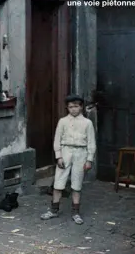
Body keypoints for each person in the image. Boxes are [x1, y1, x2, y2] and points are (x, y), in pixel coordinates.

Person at [41, 94, 96, 225]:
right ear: (67, 108)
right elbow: (57, 140)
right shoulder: (63, 121)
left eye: (76, 106)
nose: (73, 109)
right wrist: (58, 156)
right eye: (70, 107)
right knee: (59, 182)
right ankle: (54, 210)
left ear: (81, 107)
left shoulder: (87, 123)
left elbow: (91, 143)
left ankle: (76, 212)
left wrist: (89, 159)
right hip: (66, 151)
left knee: (77, 183)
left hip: (80, 153)